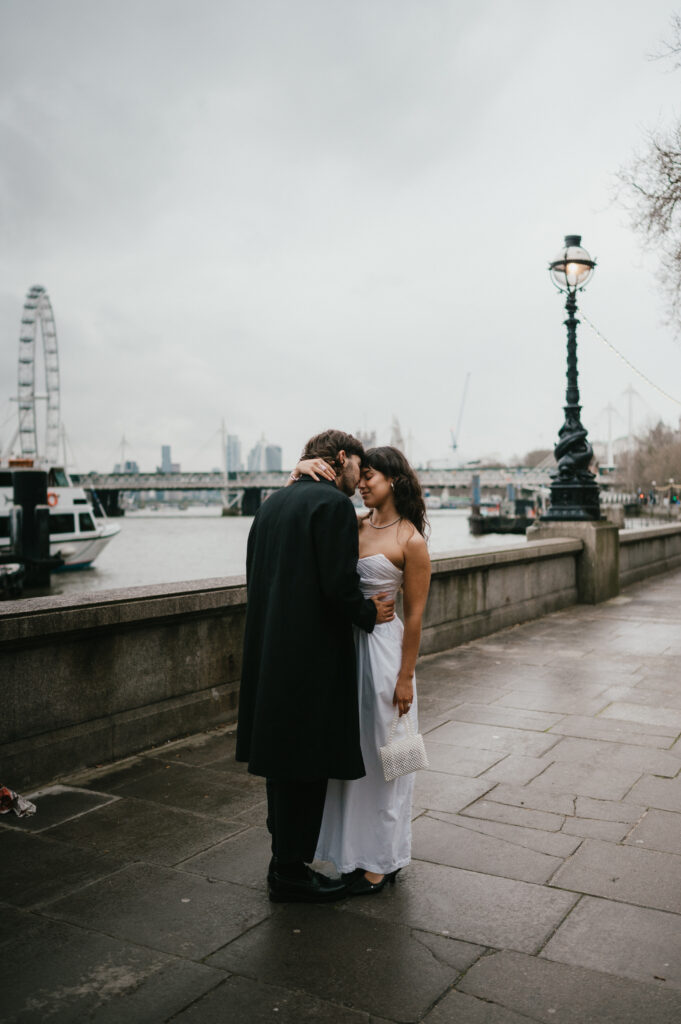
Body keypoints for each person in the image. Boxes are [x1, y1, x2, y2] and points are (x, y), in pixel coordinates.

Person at [235, 429, 396, 903]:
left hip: (269, 651)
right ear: (341, 458)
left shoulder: (271, 504)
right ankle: (291, 873)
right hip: (310, 656)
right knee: (307, 763)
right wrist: (370, 614)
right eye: (356, 468)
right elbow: (338, 586)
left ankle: (281, 860)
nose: (357, 480)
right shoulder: (332, 507)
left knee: (281, 764)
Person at [292, 445, 431, 895]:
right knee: (353, 760)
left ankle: (383, 862)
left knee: (387, 761)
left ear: (394, 480)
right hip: (349, 649)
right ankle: (355, 854)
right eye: (362, 475)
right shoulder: (352, 524)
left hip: (387, 656)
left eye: (370, 476)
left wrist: (405, 677)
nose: (363, 484)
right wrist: (297, 472)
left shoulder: (411, 540)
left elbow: (414, 616)